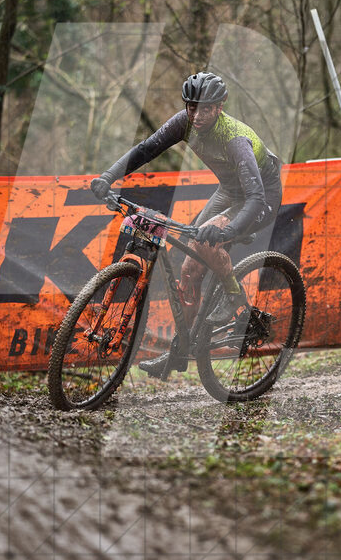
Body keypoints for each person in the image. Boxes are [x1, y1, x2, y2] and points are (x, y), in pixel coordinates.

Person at [90, 72, 283, 379]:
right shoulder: (184, 122)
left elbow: (256, 197)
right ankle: (178, 353)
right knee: (188, 271)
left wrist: (227, 231)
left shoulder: (235, 140)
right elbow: (145, 149)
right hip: (228, 191)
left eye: (205, 108)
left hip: (261, 195)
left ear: (220, 107)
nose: (197, 115)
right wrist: (108, 177)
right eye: (191, 106)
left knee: (208, 240)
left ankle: (236, 302)